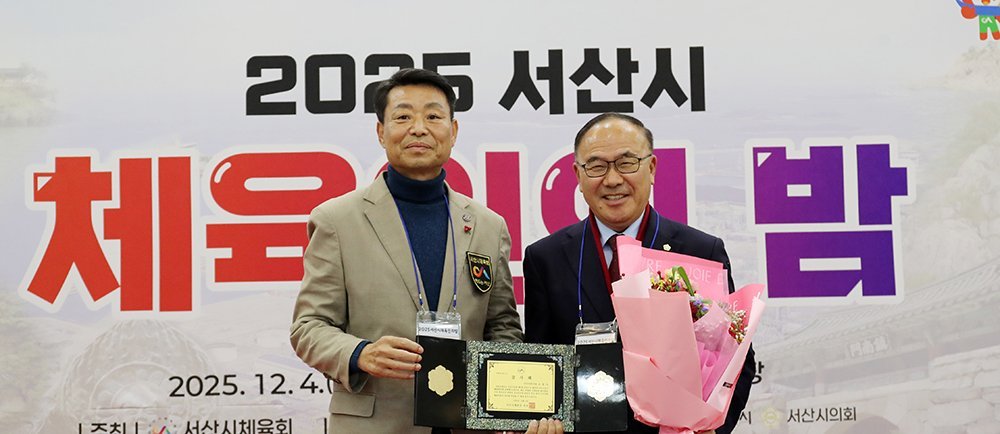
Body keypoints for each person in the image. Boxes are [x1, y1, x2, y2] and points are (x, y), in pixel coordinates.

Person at [290, 68, 529, 433]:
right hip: (376, 424)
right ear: (381, 131)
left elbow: (503, 326)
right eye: (403, 117)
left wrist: (505, 404)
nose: (419, 128)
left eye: (433, 116)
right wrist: (361, 353)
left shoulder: (488, 226)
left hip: (466, 424)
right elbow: (308, 327)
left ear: (453, 130)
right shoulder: (337, 220)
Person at [523, 113, 754, 434]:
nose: (612, 180)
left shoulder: (699, 250)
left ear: (652, 168)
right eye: (596, 166)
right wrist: (541, 422)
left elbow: (736, 359)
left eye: (626, 163)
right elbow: (539, 361)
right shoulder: (546, 258)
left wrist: (710, 428)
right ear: (578, 175)